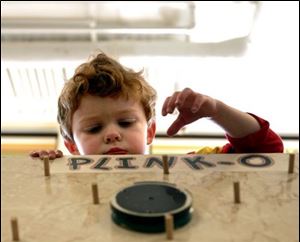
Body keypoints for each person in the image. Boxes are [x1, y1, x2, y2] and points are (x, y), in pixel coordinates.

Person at [30, 52, 283, 160]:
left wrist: (216, 111)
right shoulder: (69, 185)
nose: (112, 134)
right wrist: (44, 169)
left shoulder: (182, 170)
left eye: (126, 122)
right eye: (94, 128)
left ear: (150, 131)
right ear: (72, 145)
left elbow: (267, 151)